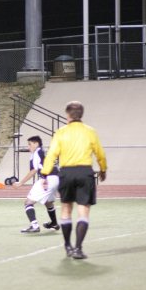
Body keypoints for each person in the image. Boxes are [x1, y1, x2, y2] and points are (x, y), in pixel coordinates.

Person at [41, 100, 107, 260]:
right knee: (83, 211)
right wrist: (103, 169)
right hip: (85, 172)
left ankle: (67, 246)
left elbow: (51, 155)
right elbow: (100, 153)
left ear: (68, 115)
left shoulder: (61, 132)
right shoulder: (90, 131)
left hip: (67, 172)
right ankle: (78, 248)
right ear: (81, 115)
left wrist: (45, 174)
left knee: (66, 210)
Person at [13, 135, 60, 233]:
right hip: (56, 178)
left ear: (36, 144)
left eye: (30, 144)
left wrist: (20, 183)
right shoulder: (41, 152)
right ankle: (54, 223)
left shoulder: (36, 153)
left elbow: (34, 170)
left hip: (47, 179)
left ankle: (34, 226)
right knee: (48, 202)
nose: (28, 147)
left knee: (28, 202)